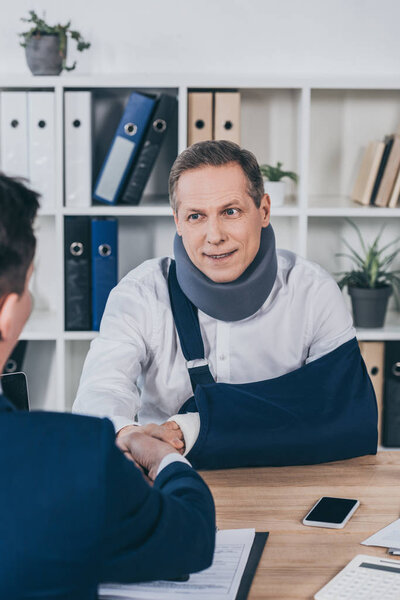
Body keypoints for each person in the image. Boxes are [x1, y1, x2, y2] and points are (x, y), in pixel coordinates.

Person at [73, 140, 365, 460]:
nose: (214, 235)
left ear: (264, 210)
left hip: (288, 478)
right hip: (170, 471)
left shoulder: (314, 293)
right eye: (196, 216)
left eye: (230, 211)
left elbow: (344, 413)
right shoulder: (139, 295)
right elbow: (102, 390)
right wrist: (126, 434)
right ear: (177, 222)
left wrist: (191, 428)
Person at [0, 174, 215, 600]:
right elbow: (190, 536)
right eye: (31, 284)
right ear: (7, 315)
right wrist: (163, 457)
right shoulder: (69, 463)